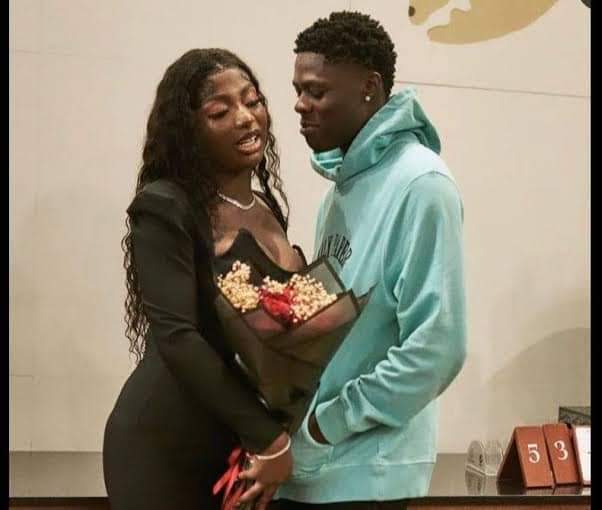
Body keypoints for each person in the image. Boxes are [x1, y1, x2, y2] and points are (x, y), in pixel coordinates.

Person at [274, 11, 467, 509]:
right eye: (297, 90)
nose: (300, 104)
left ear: (369, 88)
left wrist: (325, 425)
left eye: (316, 91)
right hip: (311, 468)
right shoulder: (339, 192)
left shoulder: (422, 185)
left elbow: (437, 348)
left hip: (368, 477)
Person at [103, 48, 304, 510]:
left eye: (252, 101)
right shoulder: (165, 205)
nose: (245, 118)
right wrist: (270, 438)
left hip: (237, 446)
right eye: (220, 111)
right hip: (166, 446)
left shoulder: (267, 210)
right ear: (189, 130)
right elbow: (177, 336)